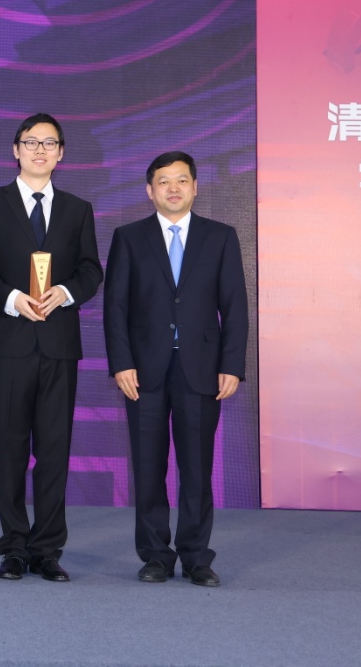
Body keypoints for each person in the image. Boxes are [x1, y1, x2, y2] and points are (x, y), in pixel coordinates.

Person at [103, 151, 247, 587]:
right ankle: (155, 556)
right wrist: (121, 363)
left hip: (202, 369)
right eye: (164, 181)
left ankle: (197, 556)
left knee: (197, 468)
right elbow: (115, 307)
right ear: (150, 191)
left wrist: (232, 364)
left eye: (182, 180)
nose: (173, 188)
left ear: (195, 187)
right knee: (148, 468)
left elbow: (235, 306)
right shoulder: (129, 237)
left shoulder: (220, 237)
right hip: (143, 371)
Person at [0, 112, 102, 582]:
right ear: (16, 150)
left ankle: (47, 549)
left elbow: (91, 270)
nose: (39, 150)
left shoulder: (77, 209)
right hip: (9, 342)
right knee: (9, 448)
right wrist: (11, 299)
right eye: (31, 142)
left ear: (61, 153)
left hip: (59, 344)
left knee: (54, 449)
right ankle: (13, 547)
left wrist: (64, 292)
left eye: (49, 143)